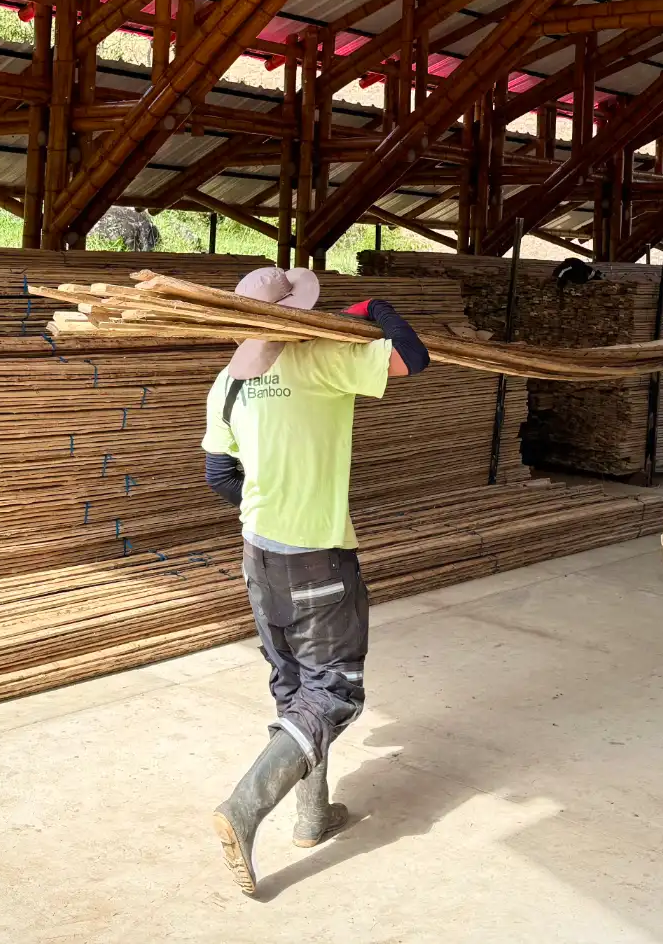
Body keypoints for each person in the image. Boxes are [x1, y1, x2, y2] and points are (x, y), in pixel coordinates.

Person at [200, 266, 430, 897]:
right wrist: (375, 306)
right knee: (334, 692)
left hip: (259, 555)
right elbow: (414, 357)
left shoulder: (227, 382)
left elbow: (219, 476)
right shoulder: (325, 360)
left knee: (293, 687)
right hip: (318, 557)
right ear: (299, 314)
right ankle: (244, 808)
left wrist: (268, 507)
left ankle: (312, 815)